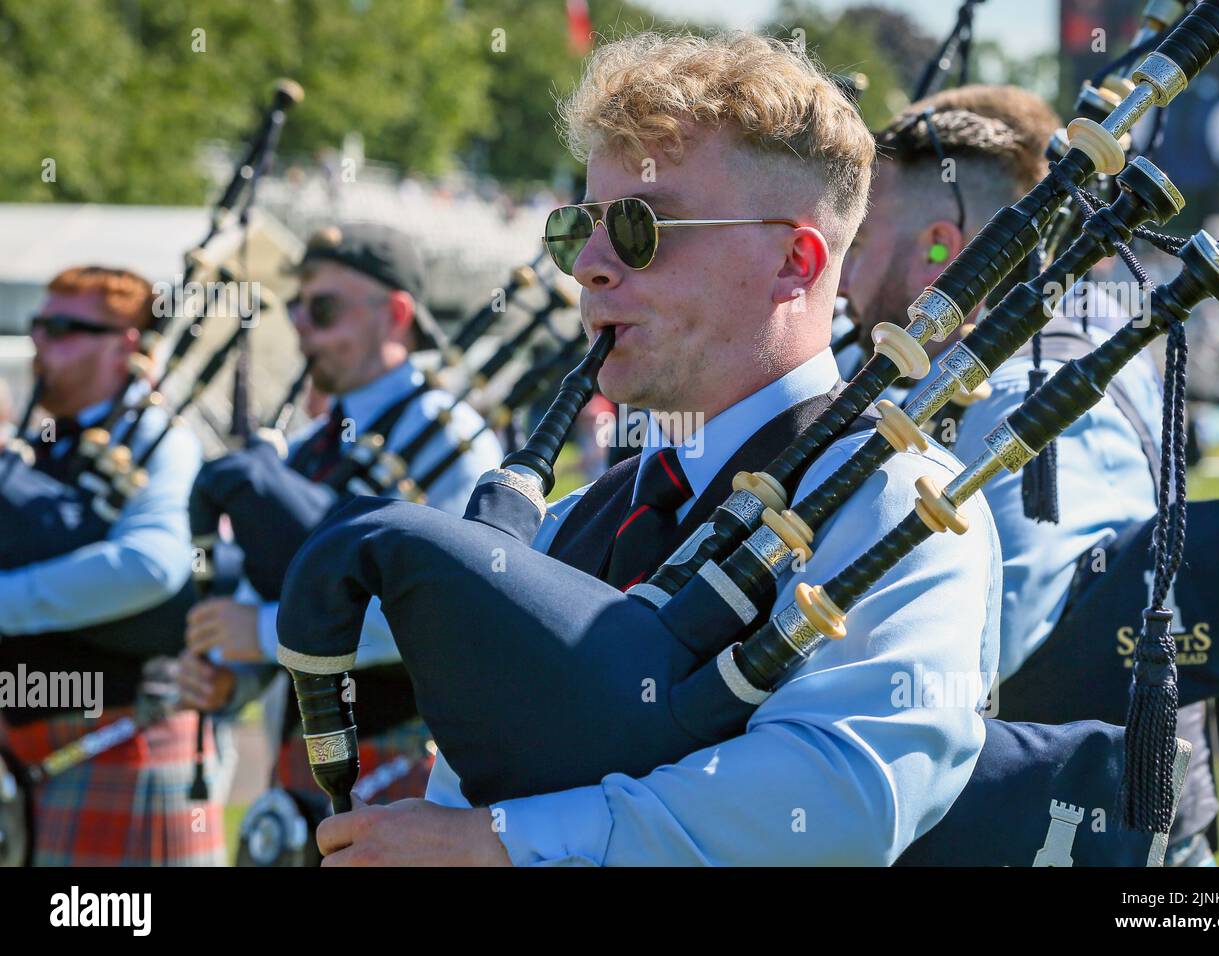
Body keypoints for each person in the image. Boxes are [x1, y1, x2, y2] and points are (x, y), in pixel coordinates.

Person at [309, 30, 1002, 866]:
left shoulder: (896, 503)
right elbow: (476, 777)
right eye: (580, 228)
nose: (591, 267)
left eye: (643, 226)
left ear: (794, 259)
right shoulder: (566, 525)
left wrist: (504, 847)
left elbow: (842, 796)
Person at [839, 84, 1217, 867]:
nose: (840, 278)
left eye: (859, 241)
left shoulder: (1034, 390)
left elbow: (975, 655)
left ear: (941, 248)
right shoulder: (1039, 359)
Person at [177, 224, 503, 804]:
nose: (301, 326)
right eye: (296, 307)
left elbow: (449, 605)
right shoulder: (306, 448)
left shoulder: (452, 437)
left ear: (395, 313)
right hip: (302, 762)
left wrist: (259, 631)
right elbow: (286, 593)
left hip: (409, 763)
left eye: (323, 308)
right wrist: (234, 676)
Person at [0, 266, 220, 865]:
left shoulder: (162, 439)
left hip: (124, 738)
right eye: (39, 325)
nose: (42, 344)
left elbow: (150, 564)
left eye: (67, 328)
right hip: (30, 750)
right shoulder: (41, 442)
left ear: (126, 343)